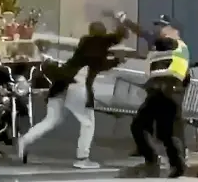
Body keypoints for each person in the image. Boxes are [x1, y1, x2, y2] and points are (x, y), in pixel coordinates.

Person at [17, 21, 128, 169]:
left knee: (51, 120)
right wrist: (120, 21)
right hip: (76, 85)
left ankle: (24, 140)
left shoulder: (84, 45)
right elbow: (113, 44)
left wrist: (115, 59)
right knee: (88, 122)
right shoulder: (97, 45)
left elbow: (100, 60)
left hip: (60, 84)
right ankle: (82, 158)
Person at [104, 10, 190, 178]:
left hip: (169, 91)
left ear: (175, 30)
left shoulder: (174, 44)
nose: (160, 29)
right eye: (158, 26)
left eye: (163, 26)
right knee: (140, 125)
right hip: (158, 91)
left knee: (166, 131)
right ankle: (153, 161)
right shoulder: (161, 47)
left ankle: (176, 166)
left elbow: (146, 35)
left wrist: (125, 21)